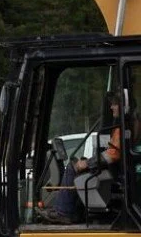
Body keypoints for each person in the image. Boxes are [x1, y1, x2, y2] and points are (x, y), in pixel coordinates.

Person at [40, 91, 126, 223]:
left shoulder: (123, 128)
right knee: (76, 163)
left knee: (72, 168)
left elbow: (113, 154)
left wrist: (88, 164)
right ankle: (71, 211)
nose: (111, 107)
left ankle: (64, 212)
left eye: (115, 104)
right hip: (115, 169)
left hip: (115, 172)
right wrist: (90, 160)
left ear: (124, 105)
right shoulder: (123, 125)